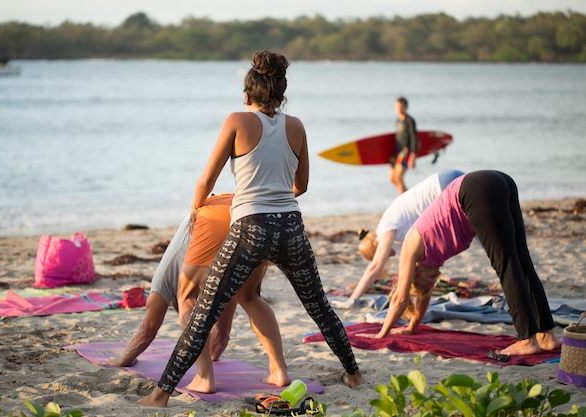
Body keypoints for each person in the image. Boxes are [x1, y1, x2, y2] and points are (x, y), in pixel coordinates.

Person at [137, 50, 362, 407]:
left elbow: (206, 180)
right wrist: (275, 193)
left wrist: (196, 209)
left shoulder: (236, 121)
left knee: (203, 312)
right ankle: (353, 373)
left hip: (250, 229)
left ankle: (160, 394)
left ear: (247, 95)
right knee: (318, 305)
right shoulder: (297, 126)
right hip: (290, 227)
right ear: (281, 94)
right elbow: (301, 186)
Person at [106, 194, 289, 393]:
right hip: (255, 214)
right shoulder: (221, 284)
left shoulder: (165, 281)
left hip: (214, 217)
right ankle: (279, 372)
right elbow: (219, 342)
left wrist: (126, 358)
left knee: (188, 299)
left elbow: (147, 329)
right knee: (250, 297)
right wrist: (208, 352)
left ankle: (204, 378)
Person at [376, 170, 561, 358]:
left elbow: (401, 298)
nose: (436, 277)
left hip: (476, 189)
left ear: (415, 270)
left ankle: (527, 340)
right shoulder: (429, 262)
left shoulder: (409, 247)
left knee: (506, 265)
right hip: (500, 181)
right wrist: (411, 327)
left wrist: (380, 335)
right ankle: (546, 335)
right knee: (522, 261)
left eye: (430, 278)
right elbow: (423, 295)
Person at [332, 169, 465, 310]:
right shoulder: (400, 237)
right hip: (449, 183)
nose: (388, 256)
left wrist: (353, 298)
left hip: (443, 185)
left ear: (377, 245)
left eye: (384, 254)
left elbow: (376, 266)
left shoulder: (384, 229)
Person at [389, 97, 418, 194]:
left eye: (401, 107)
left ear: (406, 108)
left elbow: (414, 138)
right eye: (397, 107)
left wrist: (413, 156)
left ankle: (404, 202)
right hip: (397, 152)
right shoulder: (397, 121)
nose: (398, 109)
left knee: (398, 178)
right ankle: (410, 197)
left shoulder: (410, 121)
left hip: (406, 151)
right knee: (392, 178)